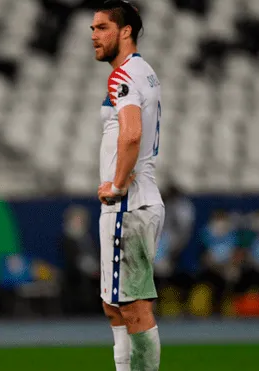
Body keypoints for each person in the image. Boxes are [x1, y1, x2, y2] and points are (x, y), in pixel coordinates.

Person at [93, 1, 164, 369]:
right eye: (92, 28)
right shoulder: (142, 72)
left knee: (134, 309)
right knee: (114, 305)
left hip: (129, 204)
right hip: (135, 202)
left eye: (102, 27)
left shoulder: (123, 76)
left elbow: (132, 133)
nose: (93, 36)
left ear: (125, 32)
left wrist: (117, 184)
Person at [196, 209, 244, 315]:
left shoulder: (232, 233)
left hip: (228, 266)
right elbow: (203, 256)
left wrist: (232, 263)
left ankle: (227, 304)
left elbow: (237, 253)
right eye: (218, 219)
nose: (220, 222)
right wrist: (214, 264)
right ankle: (212, 304)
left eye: (222, 219)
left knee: (233, 273)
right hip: (211, 266)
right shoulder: (206, 232)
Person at [60, 205, 99, 314]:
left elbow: (95, 253)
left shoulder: (88, 237)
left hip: (93, 268)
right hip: (75, 272)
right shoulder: (66, 238)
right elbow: (72, 258)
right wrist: (89, 268)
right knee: (84, 278)